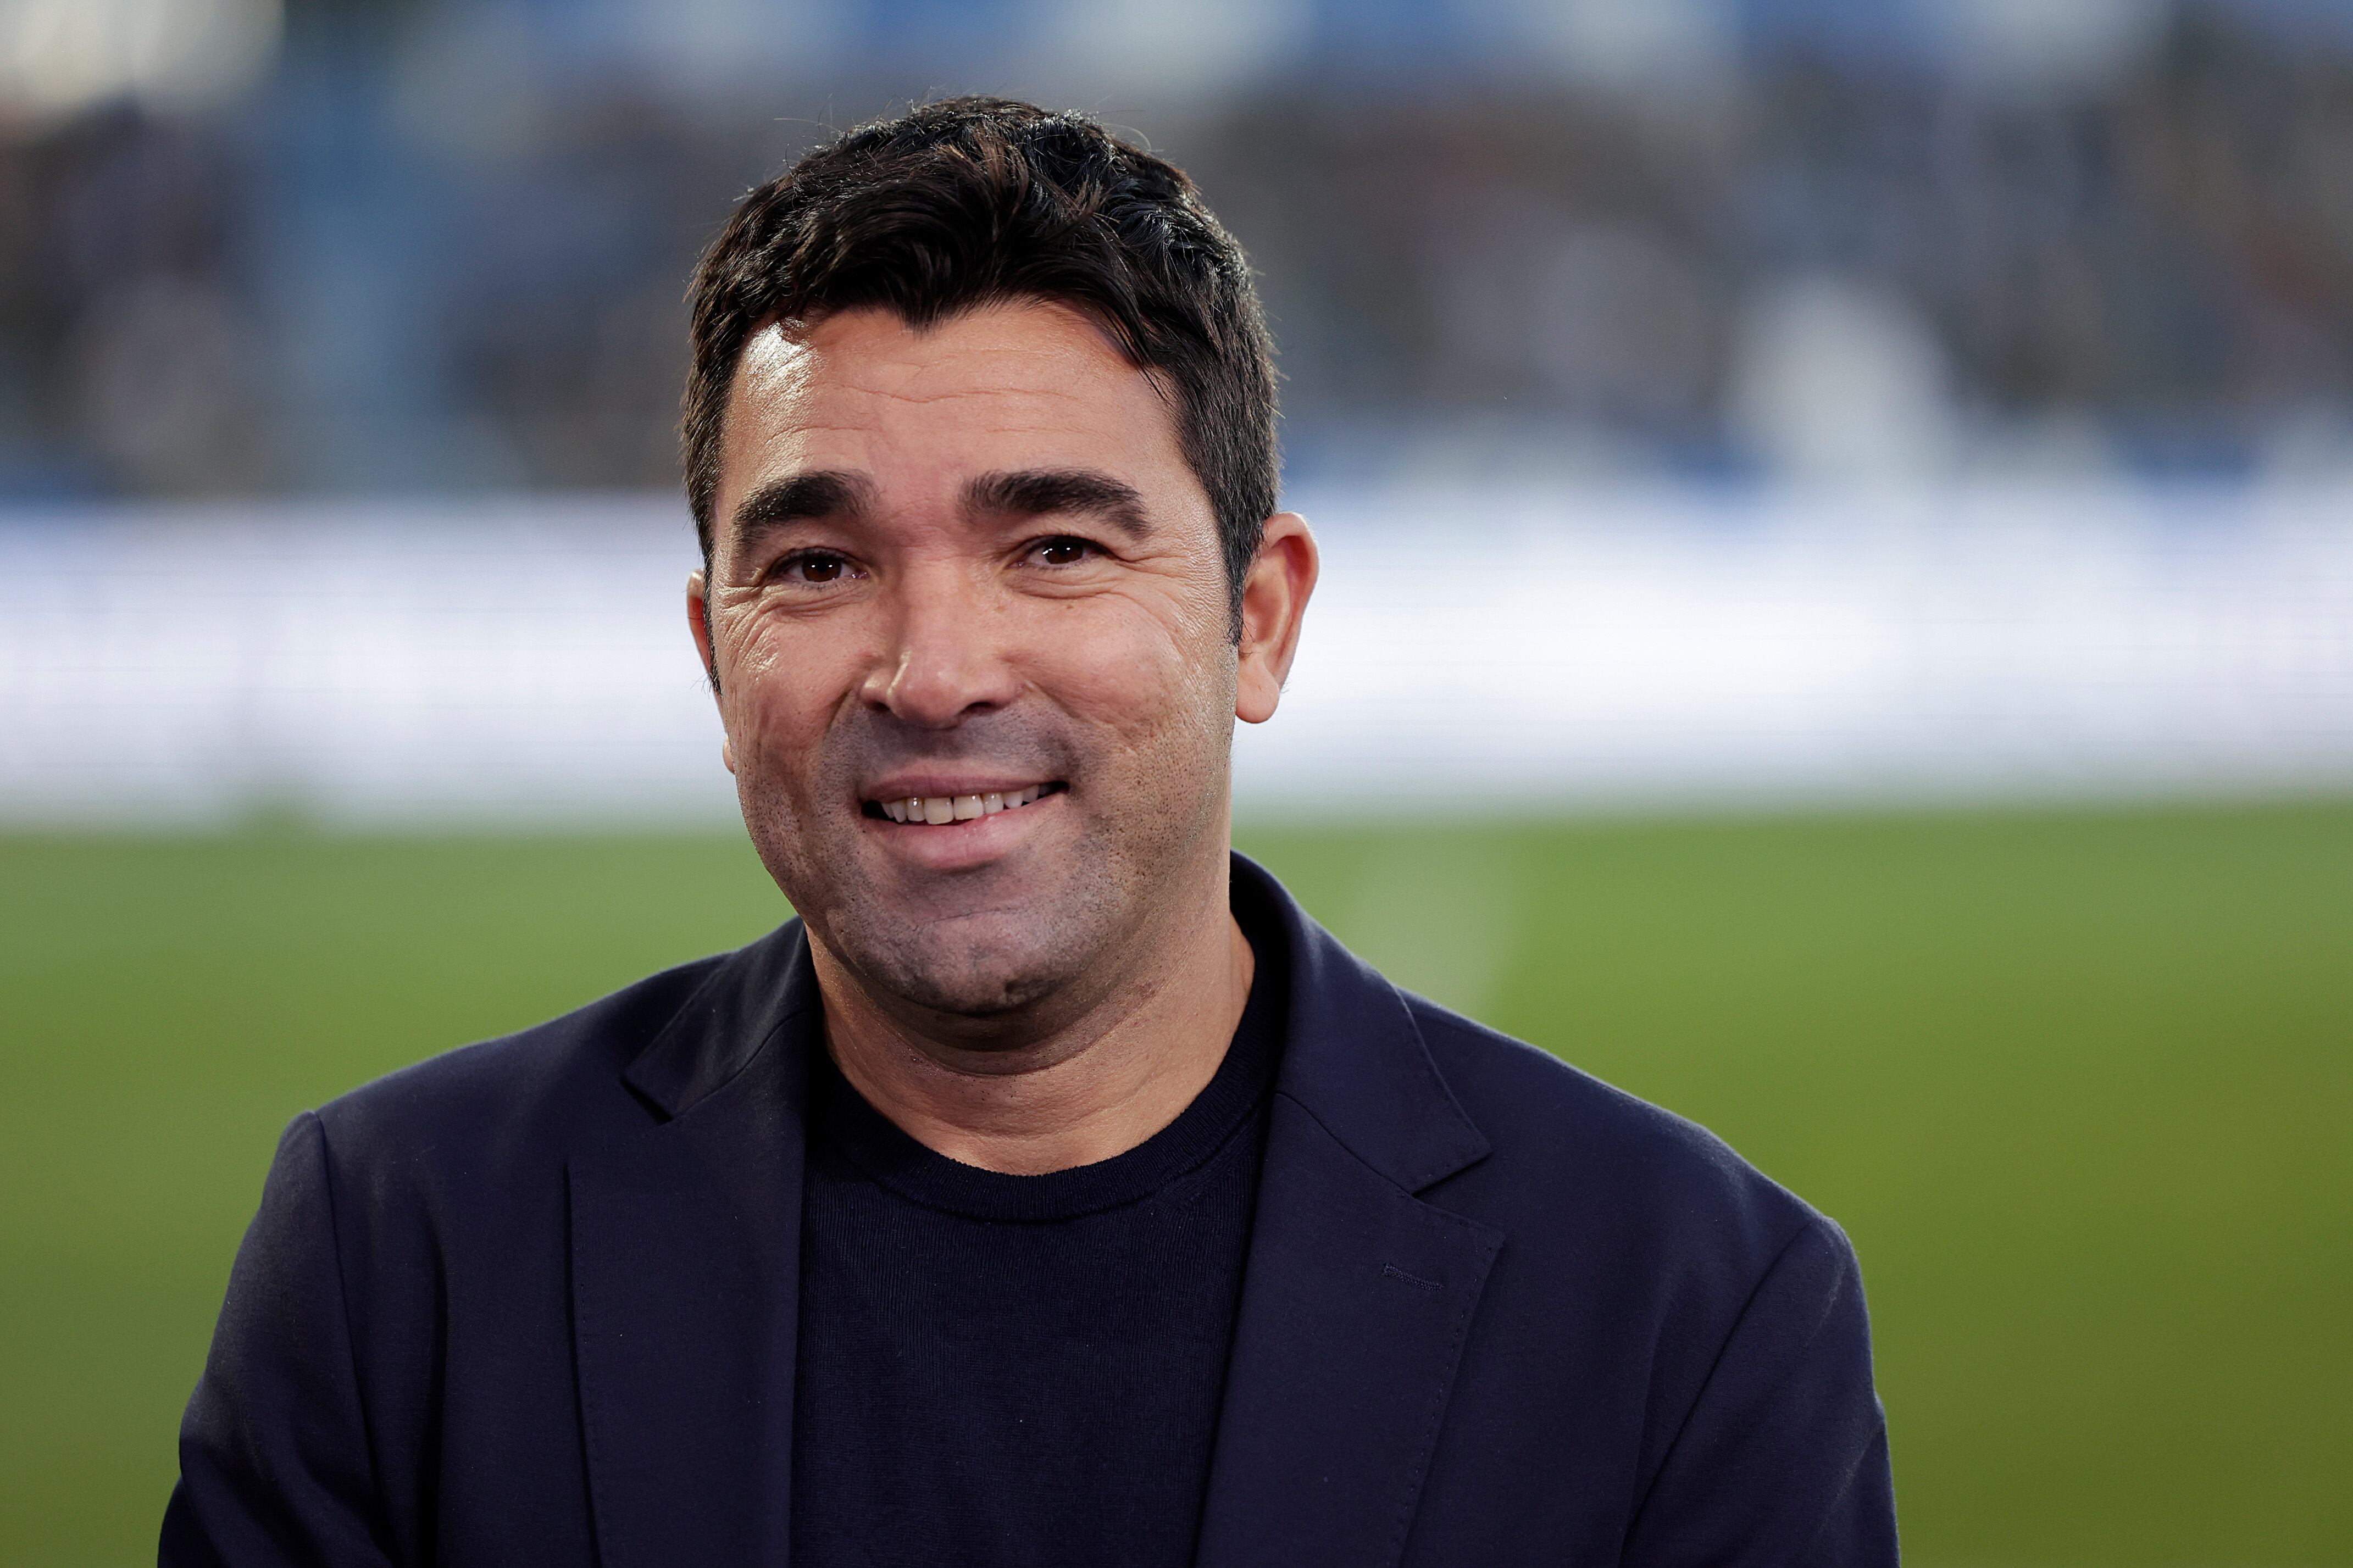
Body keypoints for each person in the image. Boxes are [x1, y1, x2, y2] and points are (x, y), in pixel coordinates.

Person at [163, 97, 1897, 1566]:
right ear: (714, 653)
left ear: (1258, 622)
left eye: (1055, 548)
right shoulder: (403, 1254)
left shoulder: (1693, 1307)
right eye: (820, 564)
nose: (932, 672)